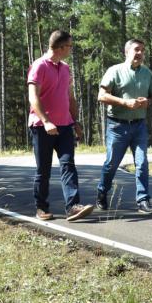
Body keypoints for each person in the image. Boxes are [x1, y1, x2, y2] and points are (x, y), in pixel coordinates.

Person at [27, 30, 95, 221]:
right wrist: (47, 121)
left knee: (68, 165)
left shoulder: (65, 68)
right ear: (60, 47)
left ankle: (73, 206)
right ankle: (41, 207)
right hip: (42, 126)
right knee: (44, 169)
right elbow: (33, 97)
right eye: (70, 46)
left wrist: (76, 121)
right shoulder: (39, 66)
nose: (71, 50)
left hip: (65, 125)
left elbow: (70, 97)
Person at [96, 39, 152, 214]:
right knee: (111, 164)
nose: (140, 53)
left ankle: (143, 200)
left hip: (139, 126)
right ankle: (102, 191)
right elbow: (101, 96)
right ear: (127, 52)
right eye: (136, 50)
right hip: (117, 125)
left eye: (142, 50)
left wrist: (148, 101)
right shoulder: (114, 71)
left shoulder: (148, 73)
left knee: (142, 163)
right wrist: (124, 102)